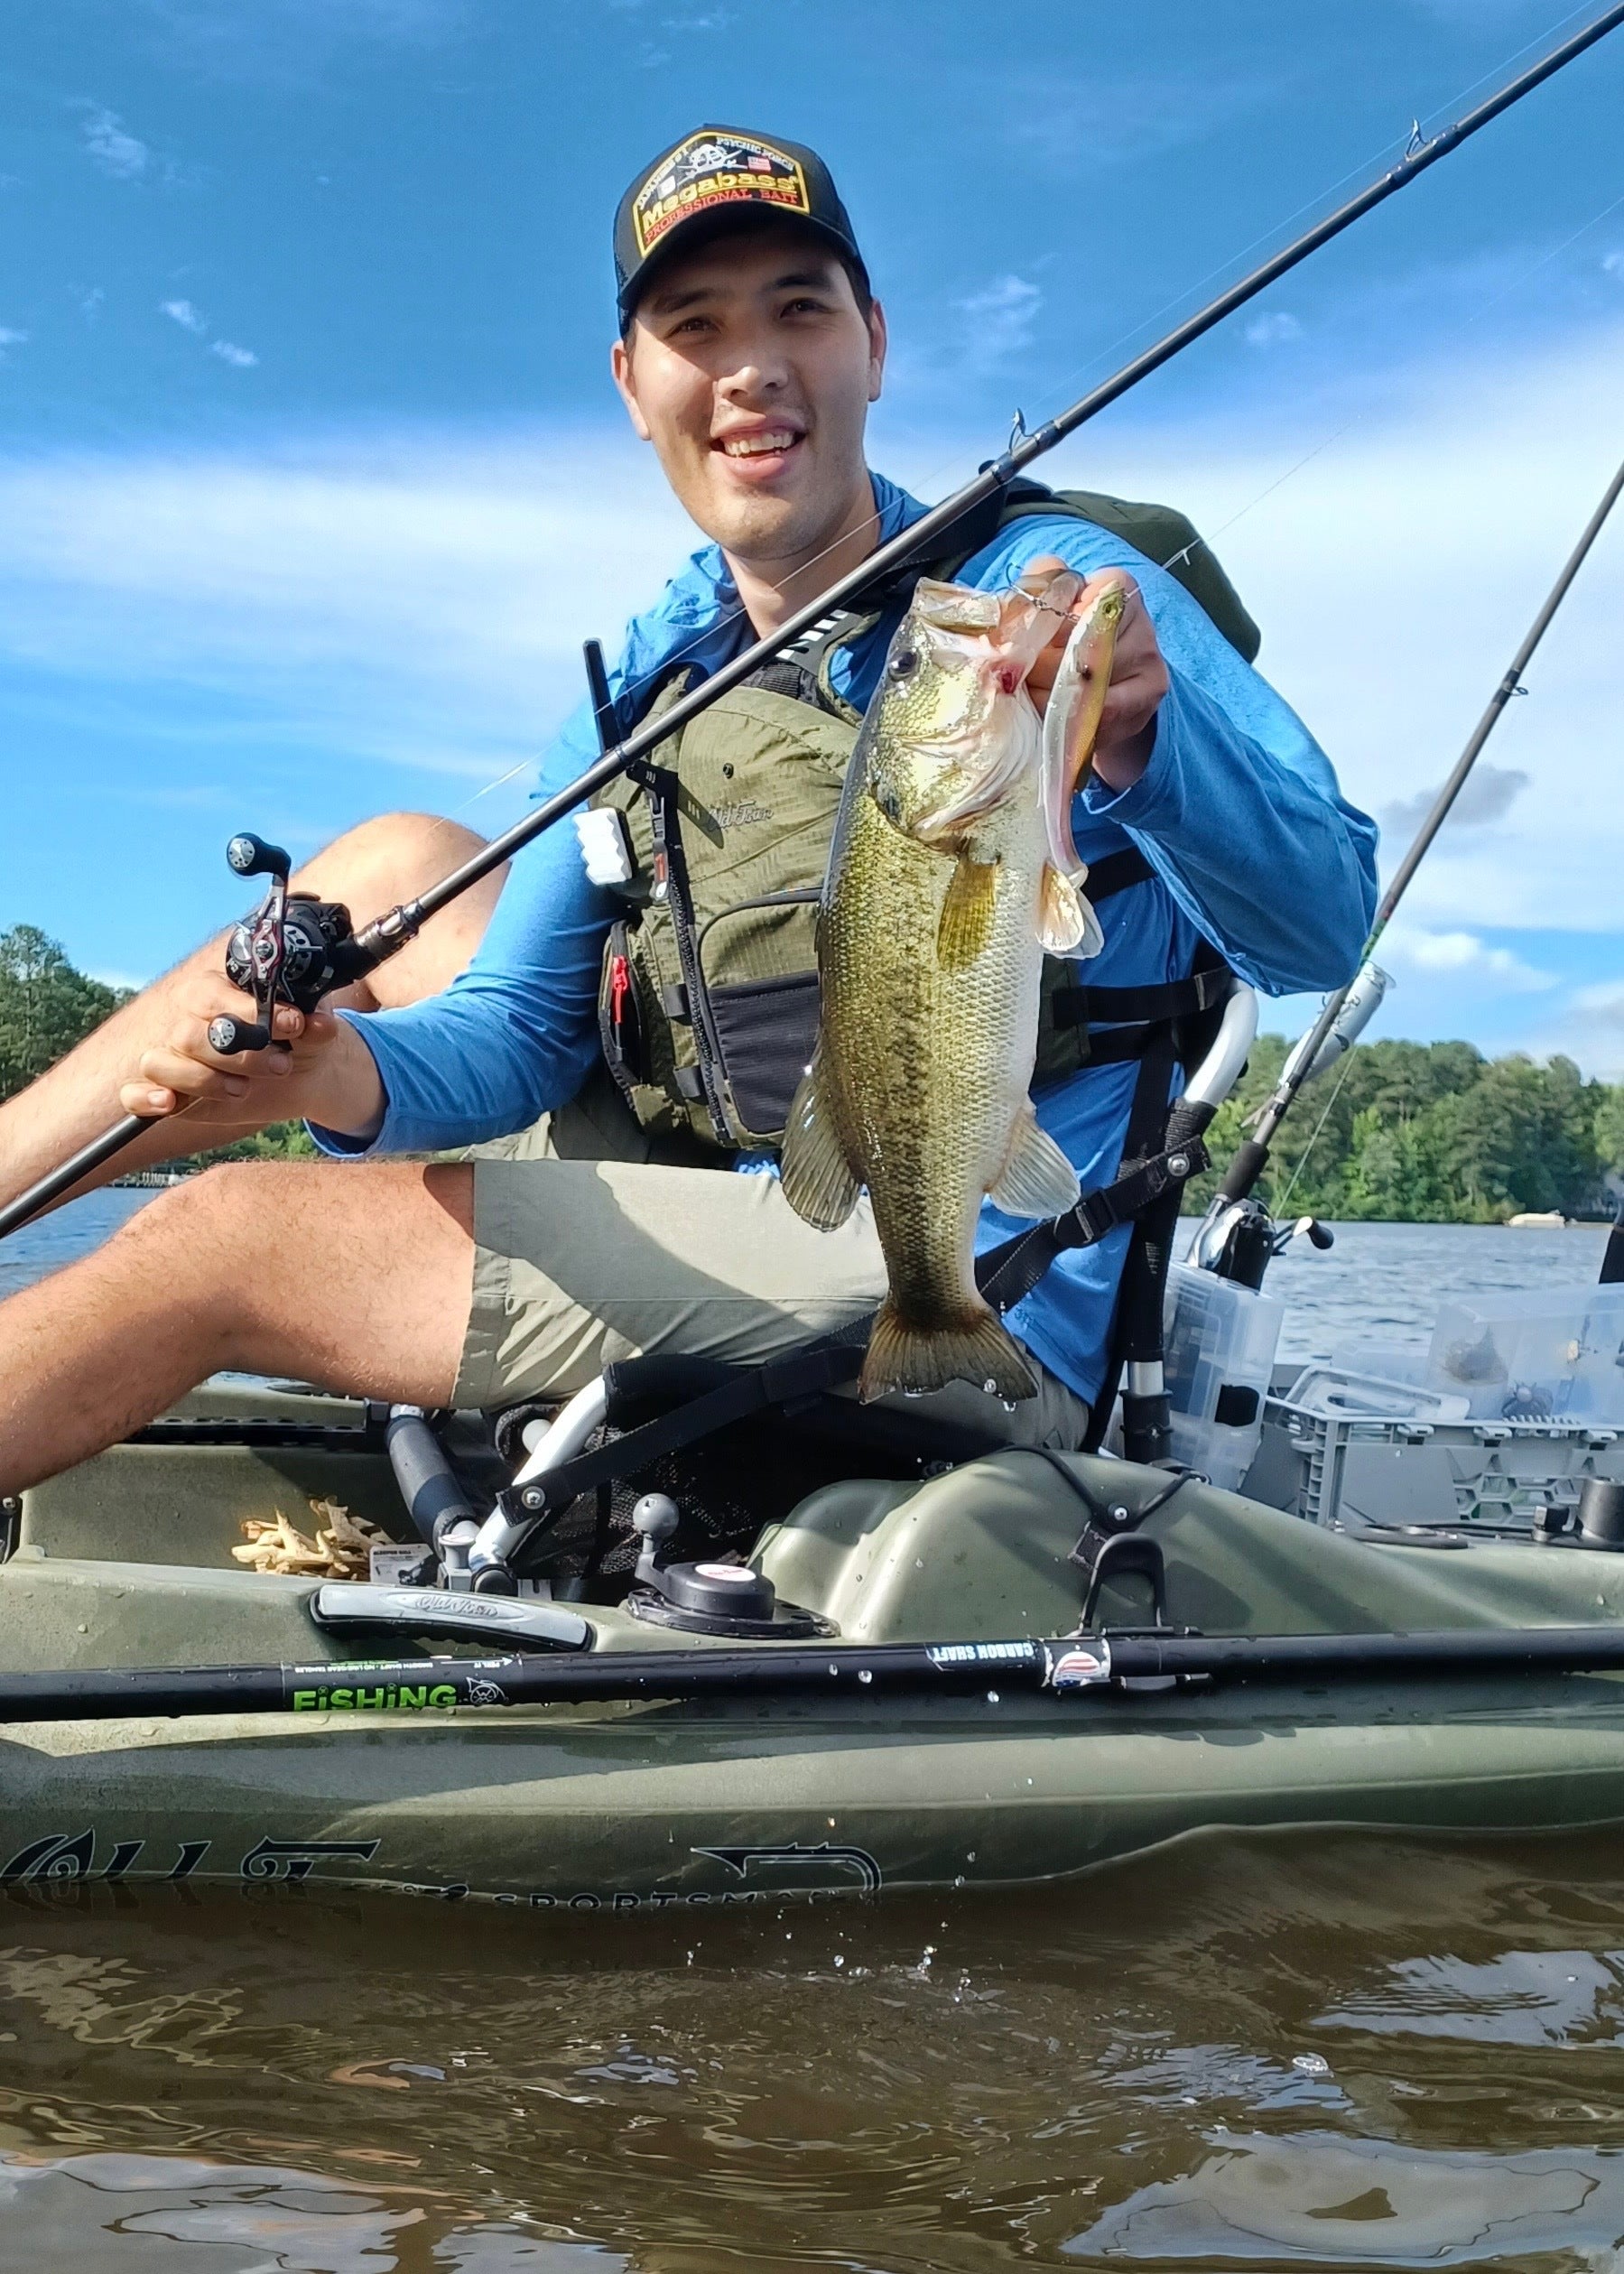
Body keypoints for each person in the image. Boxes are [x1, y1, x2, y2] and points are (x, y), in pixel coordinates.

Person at [0, 126, 1378, 1499]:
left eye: (800, 308)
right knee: (383, 869)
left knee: (233, 1236)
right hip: (733, 1178)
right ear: (632, 382)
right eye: (694, 324)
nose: (752, 368)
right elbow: (517, 1039)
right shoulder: (655, 675)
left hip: (959, 1263)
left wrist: (1145, 731)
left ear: (876, 344)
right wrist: (337, 1082)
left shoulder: (1051, 591)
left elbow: (1319, 929)